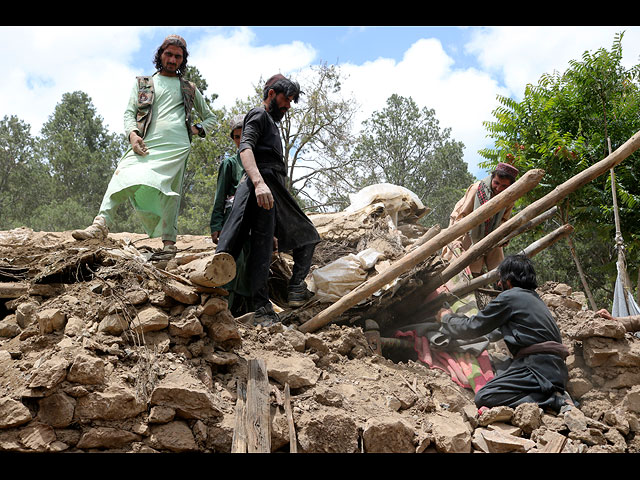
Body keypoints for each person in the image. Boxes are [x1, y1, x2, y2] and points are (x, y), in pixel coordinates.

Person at [72, 34, 217, 253]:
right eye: (168, 54)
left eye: (178, 56)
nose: (172, 60)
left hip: (177, 147)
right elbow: (129, 113)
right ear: (160, 54)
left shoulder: (189, 88)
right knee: (123, 173)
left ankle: (169, 243)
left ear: (183, 60)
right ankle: (100, 225)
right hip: (146, 143)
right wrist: (132, 136)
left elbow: (211, 118)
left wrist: (196, 129)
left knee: (169, 192)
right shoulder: (144, 83)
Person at [216, 74, 321, 326]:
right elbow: (246, 148)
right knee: (231, 246)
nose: (288, 106)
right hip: (258, 187)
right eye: (286, 99)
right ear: (271, 94)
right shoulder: (259, 115)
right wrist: (258, 182)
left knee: (285, 242)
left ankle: (283, 295)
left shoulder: (272, 124)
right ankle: (223, 302)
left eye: (292, 102)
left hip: (271, 190)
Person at [435, 254, 573, 414]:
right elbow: (491, 333)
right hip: (554, 369)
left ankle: (552, 400)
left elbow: (473, 327)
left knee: (485, 396)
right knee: (499, 368)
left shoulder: (510, 298)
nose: (498, 283)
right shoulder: (533, 300)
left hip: (536, 368)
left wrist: (446, 318)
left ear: (509, 280)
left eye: (501, 279)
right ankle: (550, 392)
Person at [442, 162, 519, 276]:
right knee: (459, 258)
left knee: (498, 264)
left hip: (491, 228)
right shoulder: (477, 189)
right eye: (496, 183)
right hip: (466, 225)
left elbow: (503, 220)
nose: (498, 188)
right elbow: (463, 215)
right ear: (492, 178)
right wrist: (457, 239)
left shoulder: (510, 197)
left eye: (504, 186)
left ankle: (497, 282)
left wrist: (504, 235)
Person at [210, 115, 252, 316]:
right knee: (234, 262)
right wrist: (216, 225)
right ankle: (227, 312)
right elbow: (220, 197)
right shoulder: (230, 165)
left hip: (253, 220)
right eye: (236, 137)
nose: (239, 140)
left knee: (249, 267)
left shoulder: (260, 164)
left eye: (243, 136)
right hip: (232, 219)